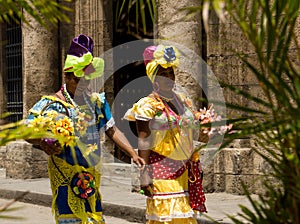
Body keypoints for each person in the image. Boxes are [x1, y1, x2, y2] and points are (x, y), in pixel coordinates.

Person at [26, 34, 145, 224]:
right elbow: (27, 130)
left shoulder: (97, 102)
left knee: (94, 218)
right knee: (71, 219)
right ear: (67, 76)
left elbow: (112, 130)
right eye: (79, 79)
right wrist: (41, 141)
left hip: (90, 176)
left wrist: (132, 152)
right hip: (65, 177)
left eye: (87, 79)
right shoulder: (51, 105)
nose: (85, 84)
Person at [124, 44, 207, 223]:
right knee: (166, 216)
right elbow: (144, 139)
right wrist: (144, 174)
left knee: (182, 217)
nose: (169, 78)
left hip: (184, 170)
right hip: (160, 169)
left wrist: (207, 128)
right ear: (154, 78)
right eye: (163, 74)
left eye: (171, 73)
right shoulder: (147, 105)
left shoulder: (183, 101)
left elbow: (192, 132)